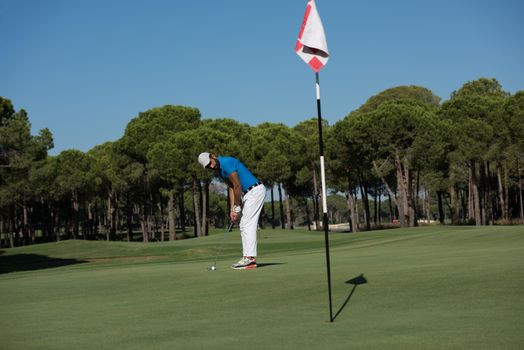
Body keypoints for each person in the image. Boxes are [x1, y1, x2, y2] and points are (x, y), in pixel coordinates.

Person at [198, 152, 265, 269]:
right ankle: (247, 258)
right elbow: (231, 188)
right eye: (208, 167)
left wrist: (237, 205)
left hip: (255, 191)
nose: (212, 166)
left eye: (210, 163)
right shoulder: (220, 171)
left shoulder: (226, 162)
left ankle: (250, 259)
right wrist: (232, 209)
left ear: (213, 156)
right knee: (244, 225)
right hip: (248, 193)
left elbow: (238, 185)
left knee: (247, 224)